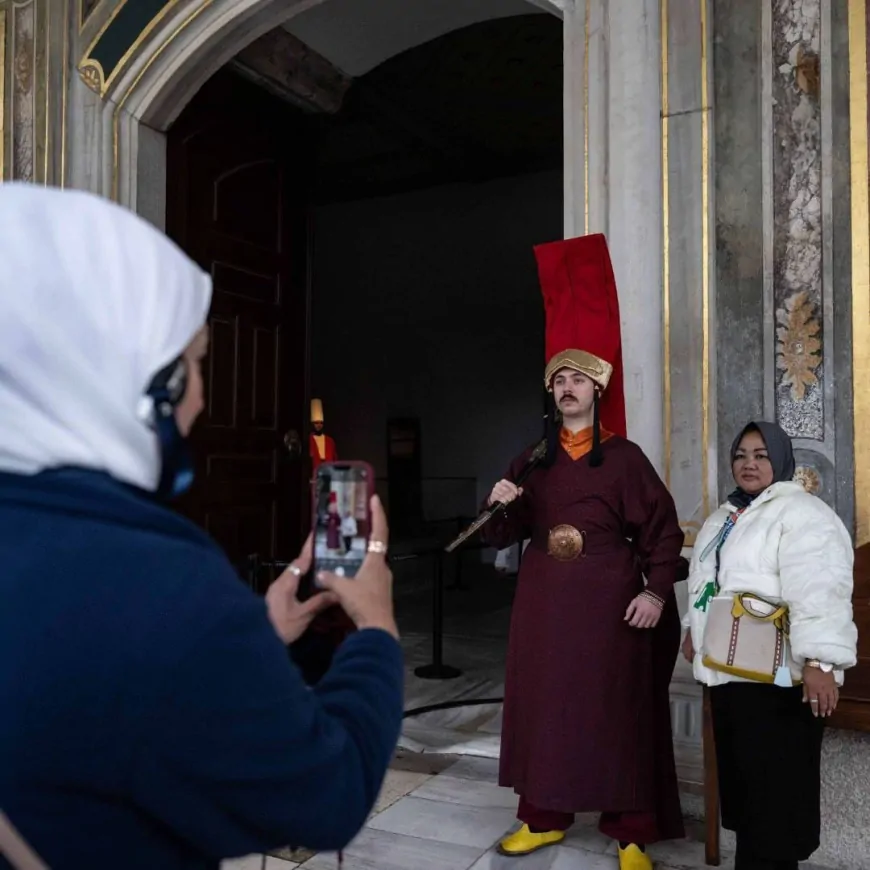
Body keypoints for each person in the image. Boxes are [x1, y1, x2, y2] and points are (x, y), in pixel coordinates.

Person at [0, 184, 403, 870]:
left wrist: (255, 633)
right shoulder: (156, 584)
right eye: (192, 365)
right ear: (133, 382)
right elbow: (324, 796)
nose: (203, 398)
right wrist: (376, 629)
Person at [482, 235, 686, 870]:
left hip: (611, 606)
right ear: (552, 391)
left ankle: (629, 831)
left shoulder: (624, 459)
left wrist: (654, 592)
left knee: (616, 712)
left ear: (598, 388)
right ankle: (542, 818)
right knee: (548, 708)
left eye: (579, 378)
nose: (568, 388)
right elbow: (497, 536)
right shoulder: (533, 458)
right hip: (545, 602)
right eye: (559, 379)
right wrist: (500, 503)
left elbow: (664, 533)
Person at [682, 421, 858, 870]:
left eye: (760, 454)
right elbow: (709, 582)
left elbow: (820, 587)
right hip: (732, 677)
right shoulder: (726, 516)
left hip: (781, 683)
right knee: (747, 797)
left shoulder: (802, 514)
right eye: (741, 455)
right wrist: (693, 629)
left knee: (776, 800)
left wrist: (821, 660)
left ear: (779, 460)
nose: (749, 464)